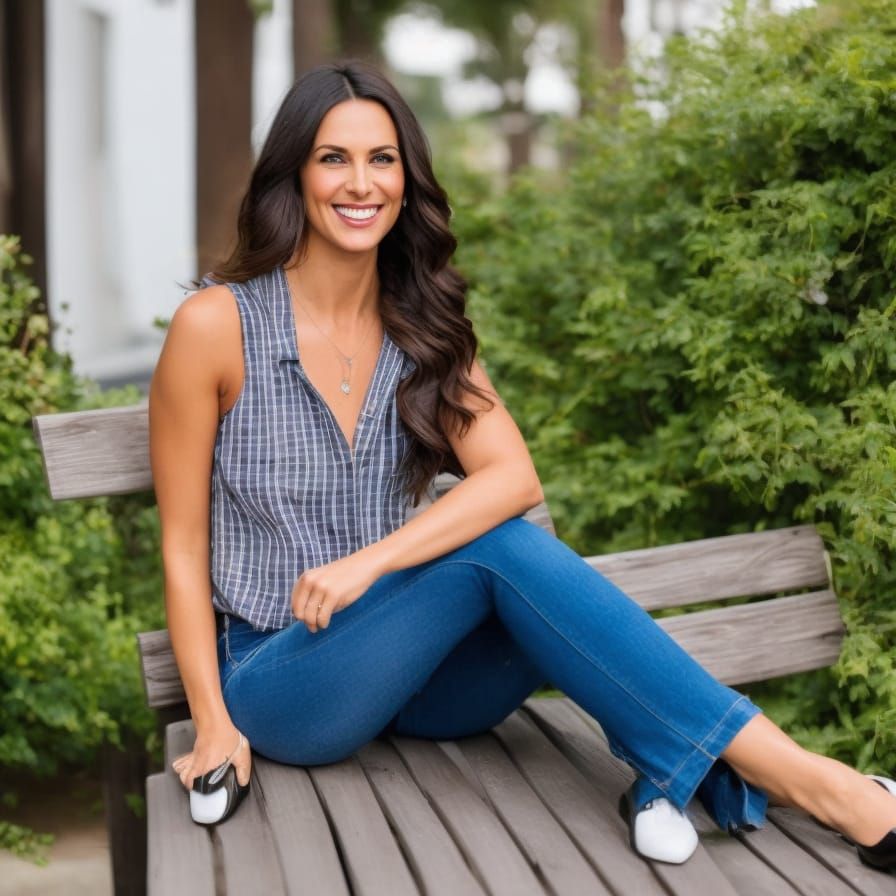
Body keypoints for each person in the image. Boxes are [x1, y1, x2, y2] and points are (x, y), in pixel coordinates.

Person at [148, 59, 896, 869]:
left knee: (525, 566)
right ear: (294, 174)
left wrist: (370, 564)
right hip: (287, 682)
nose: (360, 183)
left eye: (382, 159)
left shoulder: (421, 324)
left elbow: (514, 478)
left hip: (419, 682)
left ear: (407, 181)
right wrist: (214, 720)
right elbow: (183, 547)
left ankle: (672, 774)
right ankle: (820, 787)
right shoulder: (216, 326)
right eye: (334, 158)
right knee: (504, 550)